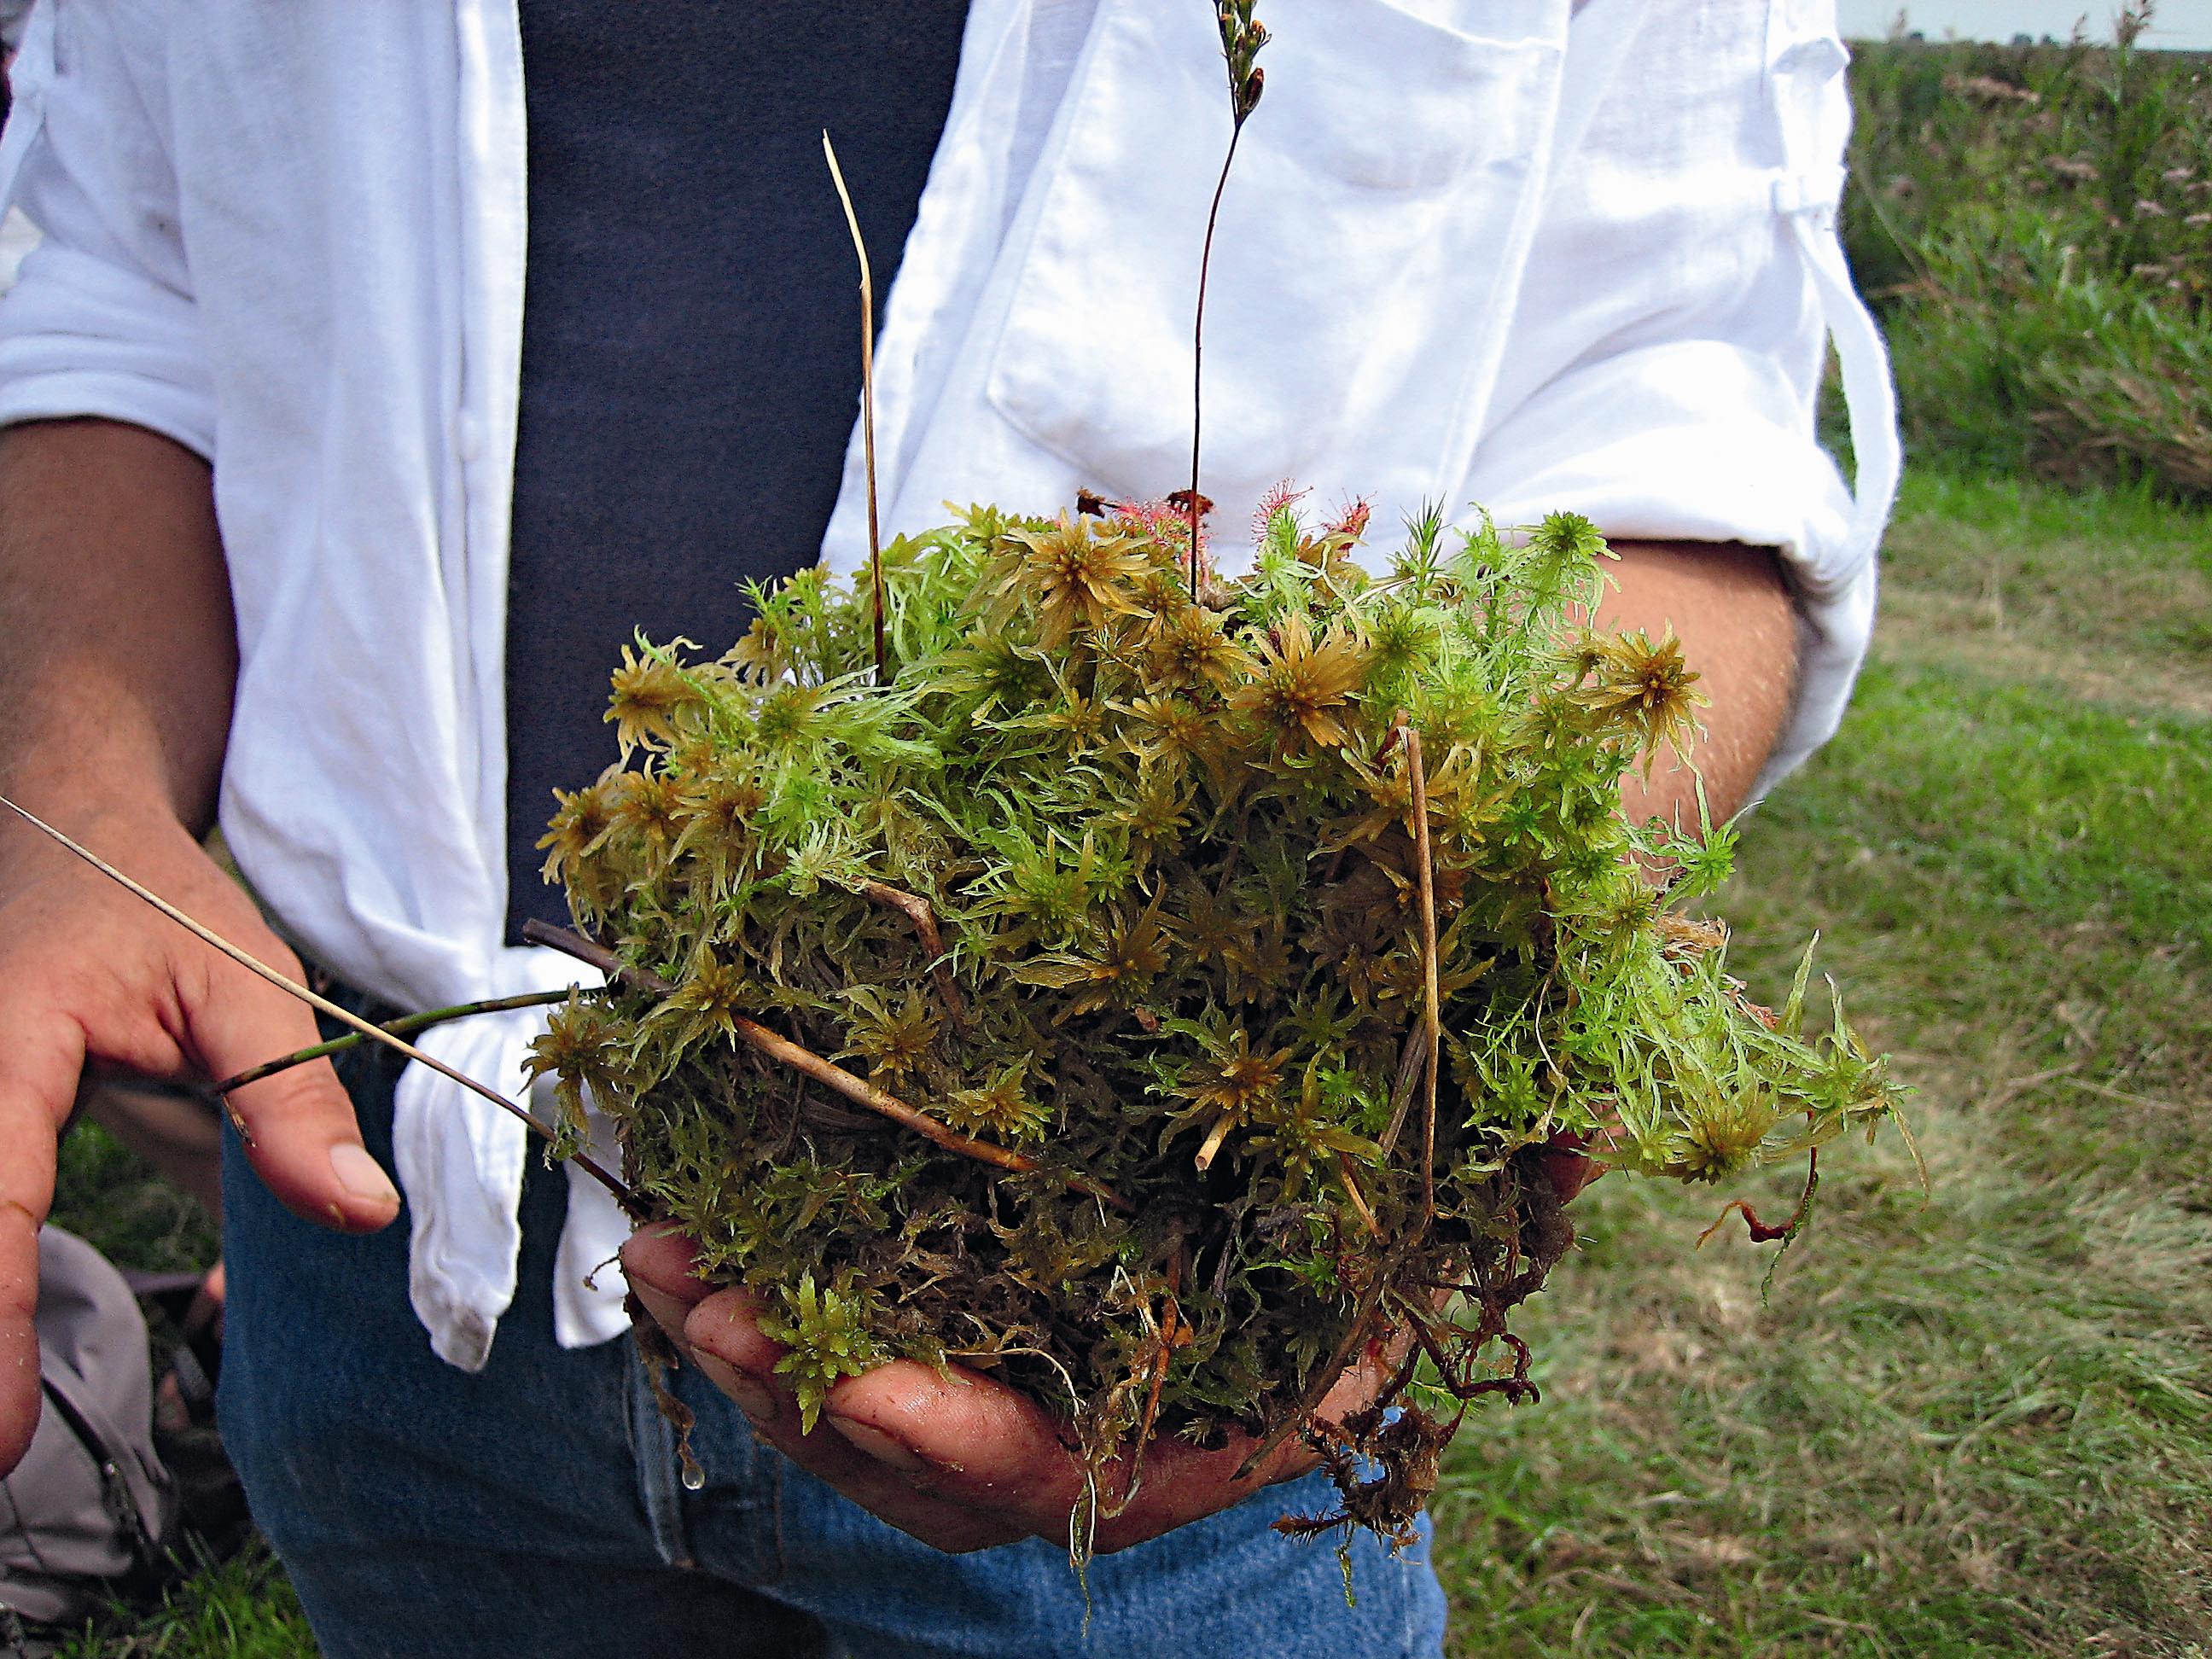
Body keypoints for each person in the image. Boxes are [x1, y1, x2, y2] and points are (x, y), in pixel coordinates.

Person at [0, 2, 1896, 1654]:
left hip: (1131, 1264)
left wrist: (1441, 959)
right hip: (382, 1212)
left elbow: (1685, 435)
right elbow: (112, 296)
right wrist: (72, 790)